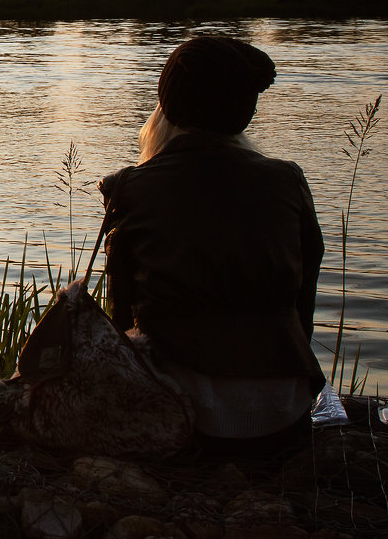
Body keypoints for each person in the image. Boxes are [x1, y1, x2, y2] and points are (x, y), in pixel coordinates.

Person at [100, 35, 325, 453]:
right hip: (284, 413)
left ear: (167, 103)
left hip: (177, 415)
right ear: (244, 112)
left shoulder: (131, 187)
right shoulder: (287, 180)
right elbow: (303, 304)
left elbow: (120, 319)